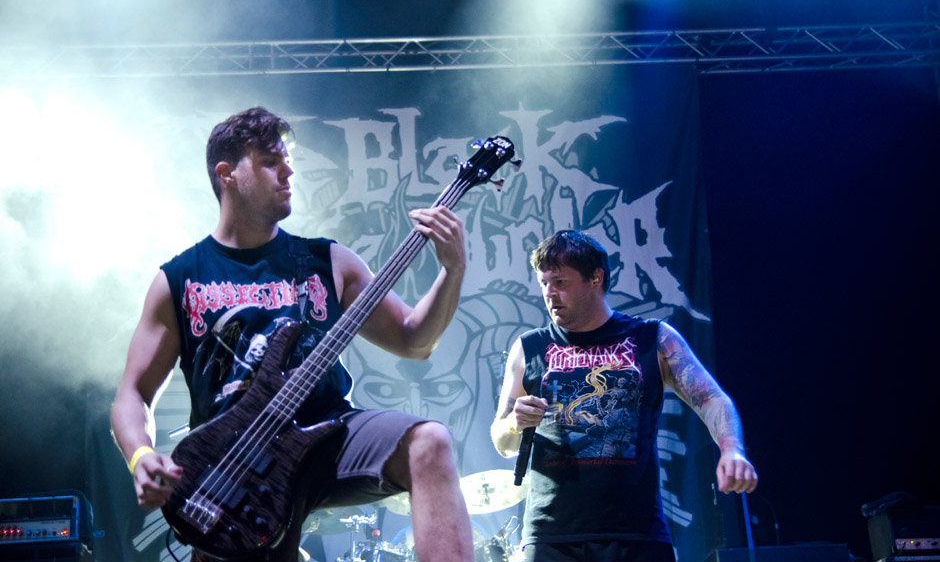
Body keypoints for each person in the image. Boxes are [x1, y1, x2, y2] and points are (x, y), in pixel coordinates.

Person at [110, 107, 474, 562]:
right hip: (235, 471)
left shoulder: (329, 262)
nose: (289, 170)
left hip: (326, 439)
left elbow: (413, 340)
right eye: (269, 161)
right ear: (227, 174)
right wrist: (140, 455)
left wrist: (452, 270)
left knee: (430, 442)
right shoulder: (180, 278)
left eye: (288, 159)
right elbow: (132, 393)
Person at [490, 230, 758, 562]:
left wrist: (732, 450)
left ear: (595, 278)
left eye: (560, 282)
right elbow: (502, 443)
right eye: (544, 283)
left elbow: (712, 398)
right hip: (551, 537)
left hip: (636, 534)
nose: (550, 294)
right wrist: (515, 423)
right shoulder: (529, 346)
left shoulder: (653, 338)